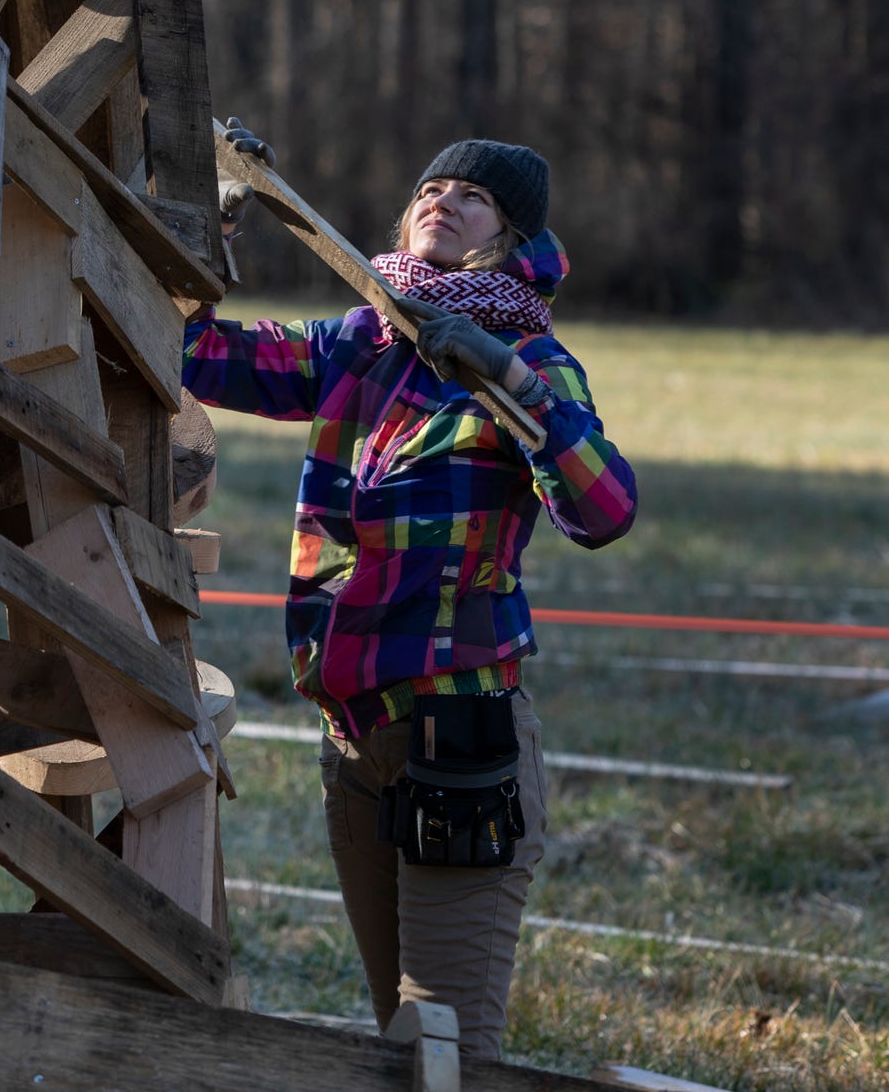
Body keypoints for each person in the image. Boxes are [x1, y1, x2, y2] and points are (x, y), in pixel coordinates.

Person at [185, 135, 637, 1064]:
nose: (443, 200)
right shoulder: (361, 341)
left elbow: (604, 507)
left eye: (471, 196)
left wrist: (506, 381)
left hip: (461, 743)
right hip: (353, 741)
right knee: (396, 1043)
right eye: (429, 187)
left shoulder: (535, 360)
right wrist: (216, 217)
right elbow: (189, 351)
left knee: (447, 1049)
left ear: (510, 239)